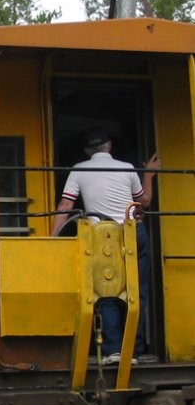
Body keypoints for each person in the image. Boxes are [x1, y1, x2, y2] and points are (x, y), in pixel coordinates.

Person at [51, 128, 161, 365]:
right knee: (137, 291)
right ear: (109, 146)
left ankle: (113, 351)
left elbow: (65, 205)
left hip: (103, 236)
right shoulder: (128, 168)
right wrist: (149, 174)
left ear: (86, 151)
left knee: (106, 291)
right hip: (133, 231)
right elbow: (144, 202)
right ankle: (135, 350)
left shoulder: (78, 169)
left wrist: (53, 237)